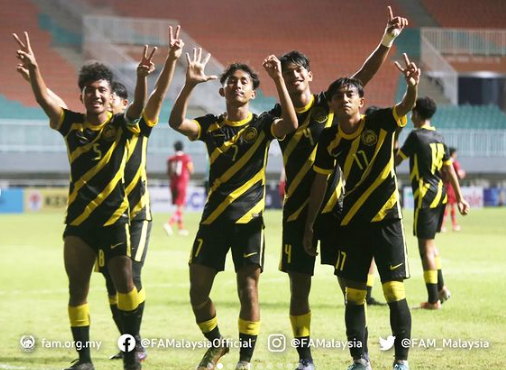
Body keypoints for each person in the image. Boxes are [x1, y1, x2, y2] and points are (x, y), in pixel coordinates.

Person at [273, 7, 407, 369]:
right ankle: (305, 359)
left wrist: (388, 40)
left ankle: (360, 356)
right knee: (299, 289)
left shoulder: (328, 105)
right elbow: (276, 131)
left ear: (309, 75)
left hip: (335, 210)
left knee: (350, 287)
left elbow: (362, 76)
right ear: (282, 81)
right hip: (296, 212)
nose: (294, 76)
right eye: (287, 74)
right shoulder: (276, 116)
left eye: (299, 71)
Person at [14, 30, 156, 370]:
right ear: (81, 96)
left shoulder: (123, 126)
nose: (95, 94)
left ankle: (132, 351)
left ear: (110, 98)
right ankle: (85, 360)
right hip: (78, 222)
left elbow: (138, 106)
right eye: (90, 90)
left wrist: (140, 78)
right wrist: (35, 71)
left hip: (116, 219)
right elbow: (45, 100)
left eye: (102, 90)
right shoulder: (70, 124)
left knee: (125, 284)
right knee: (77, 290)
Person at [169, 49, 297, 370]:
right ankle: (216, 346)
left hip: (249, 224)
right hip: (212, 222)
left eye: (244, 82)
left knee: (248, 290)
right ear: (223, 90)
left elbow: (292, 124)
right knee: (197, 291)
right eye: (232, 81)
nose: (238, 85)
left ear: (253, 92)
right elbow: (176, 123)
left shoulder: (264, 124)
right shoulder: (210, 126)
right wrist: (187, 86)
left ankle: (244, 361)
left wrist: (278, 78)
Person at [303, 53, 420, 370]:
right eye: (338, 95)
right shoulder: (330, 138)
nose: (343, 99)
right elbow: (320, 181)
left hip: (386, 223)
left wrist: (411, 87)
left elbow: (405, 107)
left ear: (361, 101)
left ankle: (401, 360)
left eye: (349, 94)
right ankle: (360, 359)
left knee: (394, 291)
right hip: (351, 225)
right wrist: (311, 225)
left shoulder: (380, 122)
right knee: (353, 296)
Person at [395, 97, 470, 310]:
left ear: (417, 114)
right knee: (431, 245)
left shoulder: (416, 136)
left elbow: (396, 160)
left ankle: (433, 300)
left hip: (426, 197)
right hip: (441, 195)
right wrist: (461, 198)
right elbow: (450, 171)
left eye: (412, 113)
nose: (411, 116)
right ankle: (441, 289)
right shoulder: (439, 137)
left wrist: (392, 144)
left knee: (425, 248)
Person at [164, 140, 194, 236]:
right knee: (180, 207)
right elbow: (191, 169)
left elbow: (168, 172)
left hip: (173, 184)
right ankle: (169, 223)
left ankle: (181, 229)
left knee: (179, 206)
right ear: (182, 148)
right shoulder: (186, 158)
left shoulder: (171, 159)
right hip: (181, 184)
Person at [442, 147, 466, 232]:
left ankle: (452, 225)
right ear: (452, 153)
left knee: (450, 206)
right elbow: (459, 175)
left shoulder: (443, 163)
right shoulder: (454, 163)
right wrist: (463, 174)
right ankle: (443, 225)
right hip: (451, 187)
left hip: (445, 185)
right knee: (449, 206)